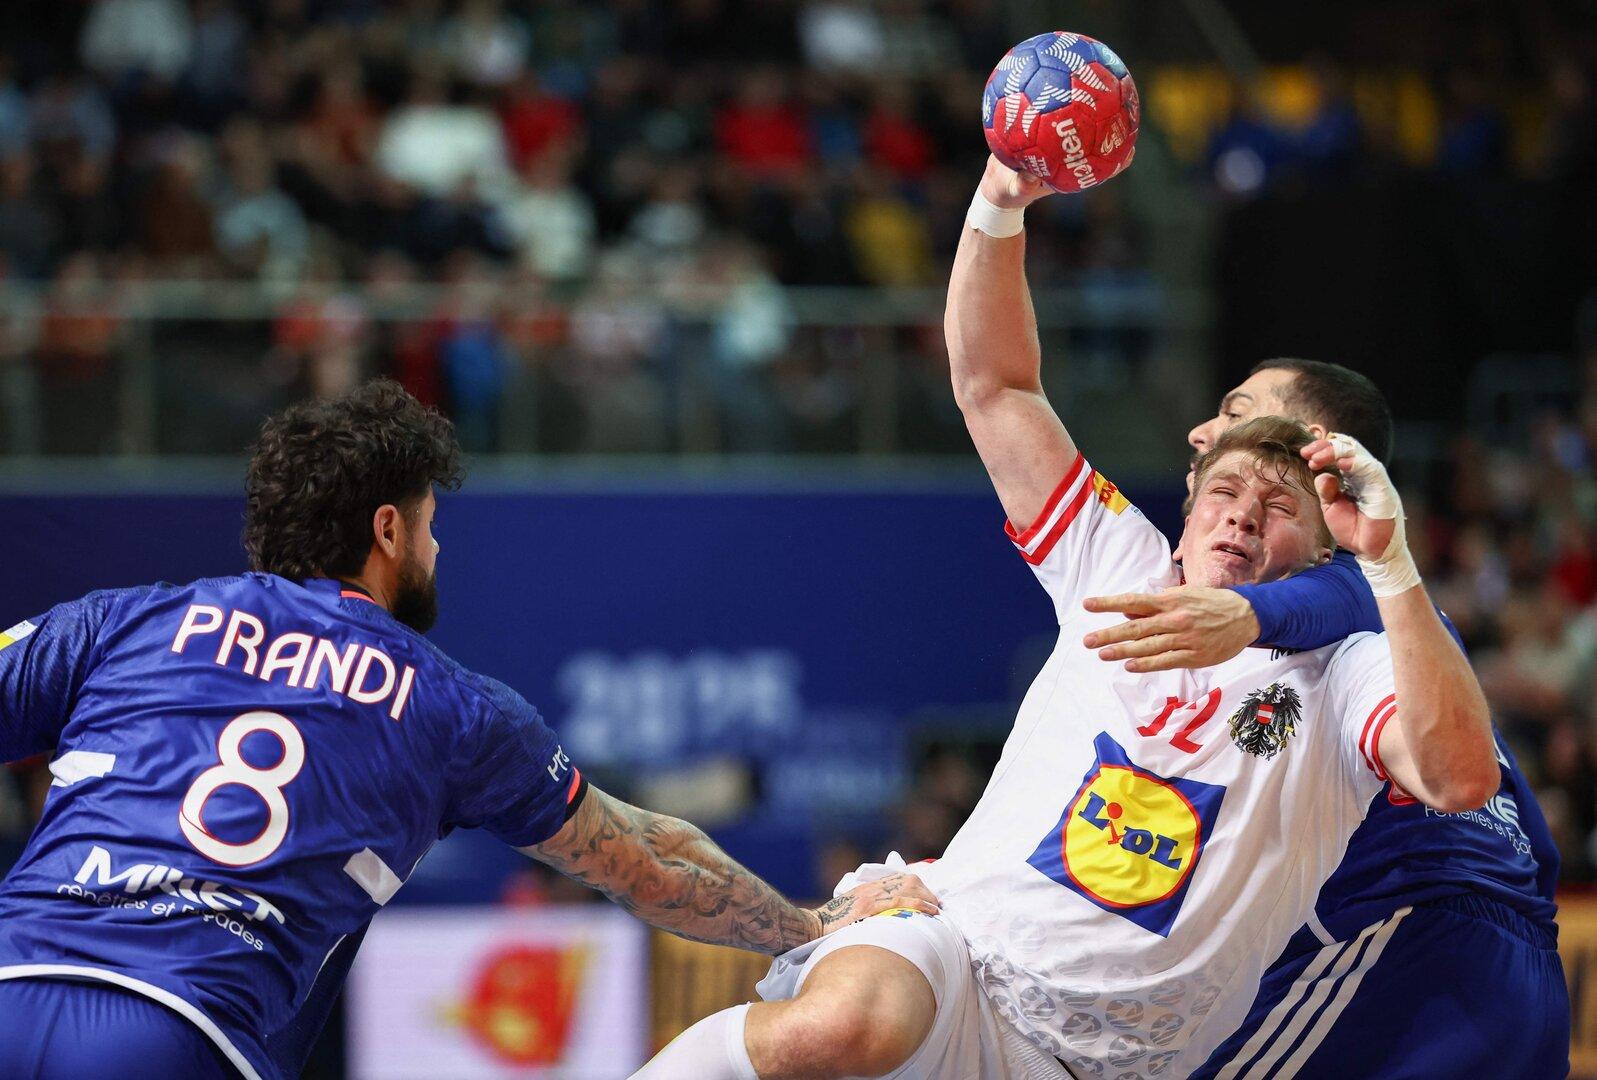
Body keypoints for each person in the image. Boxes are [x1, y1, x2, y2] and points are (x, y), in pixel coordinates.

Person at [630, 157, 1500, 1080]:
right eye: (1226, 489)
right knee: (839, 1031)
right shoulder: (1114, 559)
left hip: (1101, 1067)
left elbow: (1457, 777)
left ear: (1331, 535)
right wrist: (1000, 197)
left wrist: (1392, 559)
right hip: (956, 954)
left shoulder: (1351, 664)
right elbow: (997, 387)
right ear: (1188, 499)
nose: (1243, 513)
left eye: (1279, 503)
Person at [0, 380, 933, 1080]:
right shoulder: (445, 702)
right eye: (431, 522)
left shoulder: (125, 621)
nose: (439, 547)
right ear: (388, 533)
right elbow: (649, 859)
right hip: (179, 1032)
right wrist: (810, 925)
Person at [1081, 357, 1568, 1077]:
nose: (1201, 430)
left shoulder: (1352, 591)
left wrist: (1242, 613)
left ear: (1310, 447)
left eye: (1236, 409)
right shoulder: (1391, 612)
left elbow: (1339, 591)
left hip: (1397, 948)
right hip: (1507, 951)